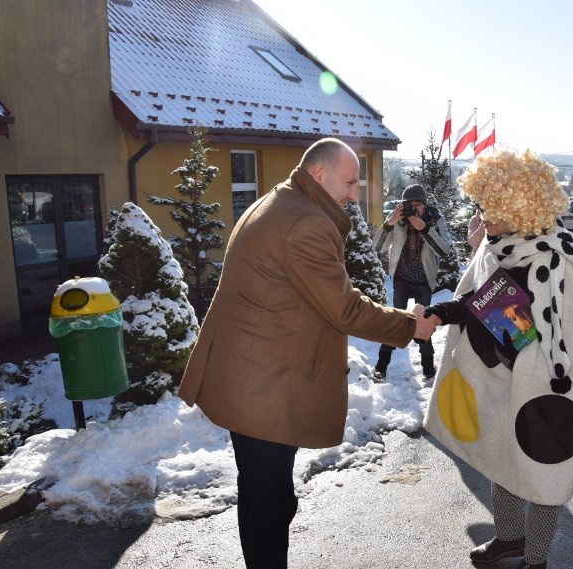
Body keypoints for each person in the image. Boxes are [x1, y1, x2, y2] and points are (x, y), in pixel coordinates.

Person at [177, 138, 438, 569]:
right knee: (268, 502)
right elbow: (345, 307)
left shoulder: (280, 201)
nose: (355, 195)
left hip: (252, 379)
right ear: (319, 174)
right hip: (263, 389)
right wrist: (410, 325)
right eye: (350, 182)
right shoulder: (305, 223)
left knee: (267, 495)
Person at [422, 149, 573, 569]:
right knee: (502, 462)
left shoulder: (561, 258)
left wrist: (513, 345)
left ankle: (535, 559)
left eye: (491, 212)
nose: (482, 221)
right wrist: (446, 312)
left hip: (548, 391)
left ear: (519, 209)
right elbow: (481, 301)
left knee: (542, 475)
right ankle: (509, 539)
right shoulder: (498, 244)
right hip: (501, 377)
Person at [371, 184, 451, 379]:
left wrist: (425, 229)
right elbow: (378, 247)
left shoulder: (435, 220)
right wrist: (389, 223)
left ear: (424, 204)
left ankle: (429, 369)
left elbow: (444, 250)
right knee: (395, 322)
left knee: (424, 323)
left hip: (424, 281)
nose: (414, 208)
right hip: (402, 280)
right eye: (410, 204)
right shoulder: (398, 220)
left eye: (418, 204)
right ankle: (381, 367)